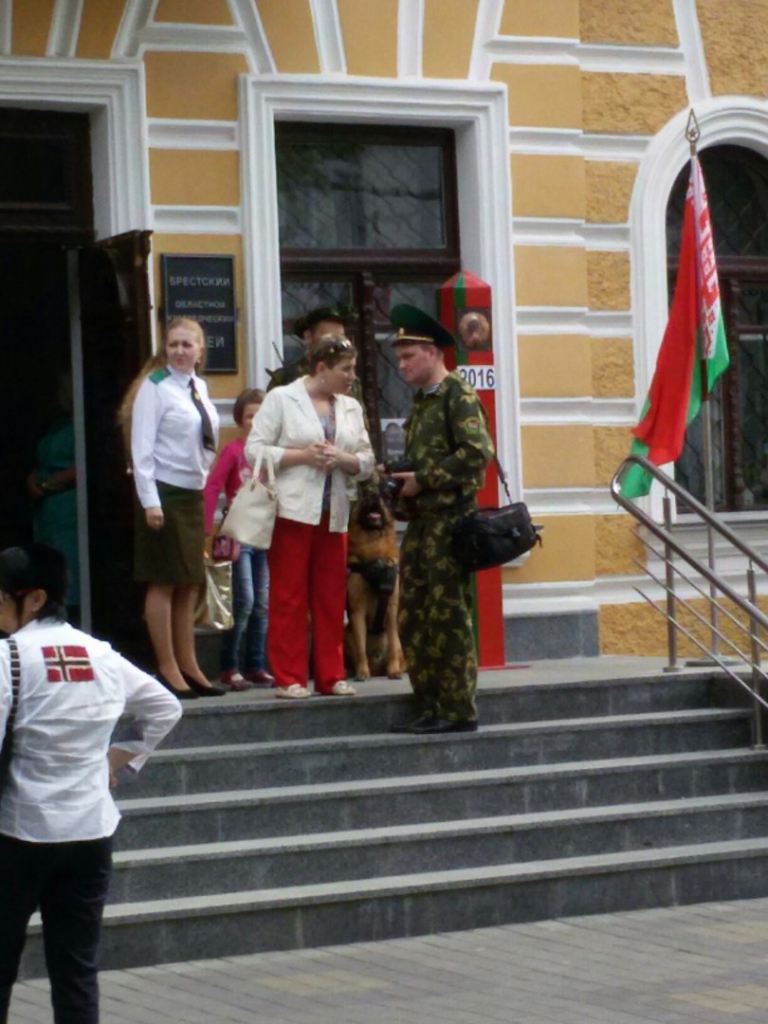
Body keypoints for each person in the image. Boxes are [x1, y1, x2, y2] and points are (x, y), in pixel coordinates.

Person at [0, 542, 182, 1024]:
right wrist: (112, 761)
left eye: (0, 596)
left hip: (19, 833)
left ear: (34, 599)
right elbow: (166, 708)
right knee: (76, 972)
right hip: (90, 834)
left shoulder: (7, 657)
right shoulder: (101, 654)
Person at [384, 304, 493, 735]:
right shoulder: (423, 400)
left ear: (432, 352)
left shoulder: (456, 395)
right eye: (399, 358)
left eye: (409, 356)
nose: (402, 365)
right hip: (423, 523)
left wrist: (423, 479)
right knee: (414, 615)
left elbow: (477, 453)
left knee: (448, 616)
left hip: (450, 521)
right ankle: (429, 704)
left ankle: (457, 708)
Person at [247, 335, 374, 699]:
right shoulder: (282, 399)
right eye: (345, 369)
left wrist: (343, 459)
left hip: (334, 514)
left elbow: (366, 459)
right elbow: (253, 451)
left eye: (353, 369)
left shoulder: (350, 407)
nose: (352, 377)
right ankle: (289, 677)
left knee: (331, 596)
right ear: (321, 368)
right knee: (289, 596)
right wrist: (302, 456)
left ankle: (331, 674)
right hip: (292, 512)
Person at [128, 318, 225, 699]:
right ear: (165, 349)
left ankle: (190, 665)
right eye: (173, 345)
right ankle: (167, 666)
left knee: (188, 581)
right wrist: (150, 501)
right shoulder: (155, 387)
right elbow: (141, 449)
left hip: (191, 493)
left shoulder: (199, 387)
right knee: (164, 580)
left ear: (200, 350)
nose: (180, 351)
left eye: (187, 344)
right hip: (164, 493)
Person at [204, 388, 274, 691]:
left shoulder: (273, 452)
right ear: (239, 420)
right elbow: (212, 486)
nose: (255, 422)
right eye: (249, 416)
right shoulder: (233, 451)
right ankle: (229, 666)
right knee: (244, 601)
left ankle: (256, 665)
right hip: (239, 536)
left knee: (263, 604)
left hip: (266, 535)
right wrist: (206, 527)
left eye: (261, 416)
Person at [26, 370, 80, 621]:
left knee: (68, 569)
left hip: (69, 509)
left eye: (63, 390)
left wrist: (48, 485)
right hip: (47, 511)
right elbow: (41, 460)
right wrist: (33, 480)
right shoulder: (58, 425)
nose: (59, 396)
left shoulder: (80, 425)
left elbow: (81, 467)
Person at [266, 306, 348, 391]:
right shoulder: (285, 378)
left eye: (341, 337)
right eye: (329, 337)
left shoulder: (346, 377)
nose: (336, 342)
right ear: (308, 337)